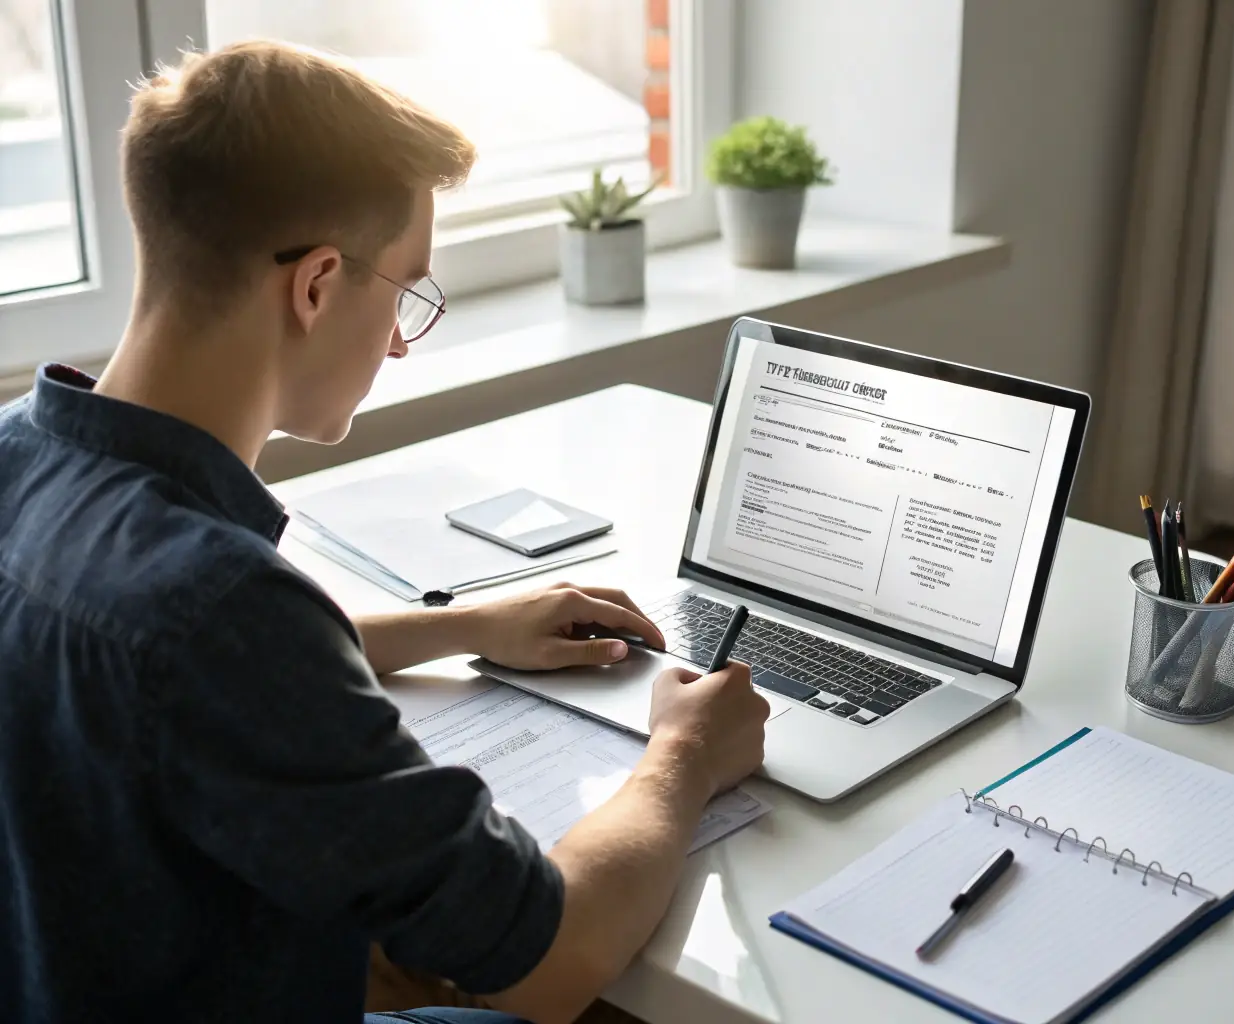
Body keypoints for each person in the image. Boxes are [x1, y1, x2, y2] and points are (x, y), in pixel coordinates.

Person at [0, 40, 769, 1024]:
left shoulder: (21, 452)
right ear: (317, 285)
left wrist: (463, 624)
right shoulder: (221, 608)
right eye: (406, 291)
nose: (401, 341)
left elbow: (173, 676)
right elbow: (549, 955)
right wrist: (685, 755)